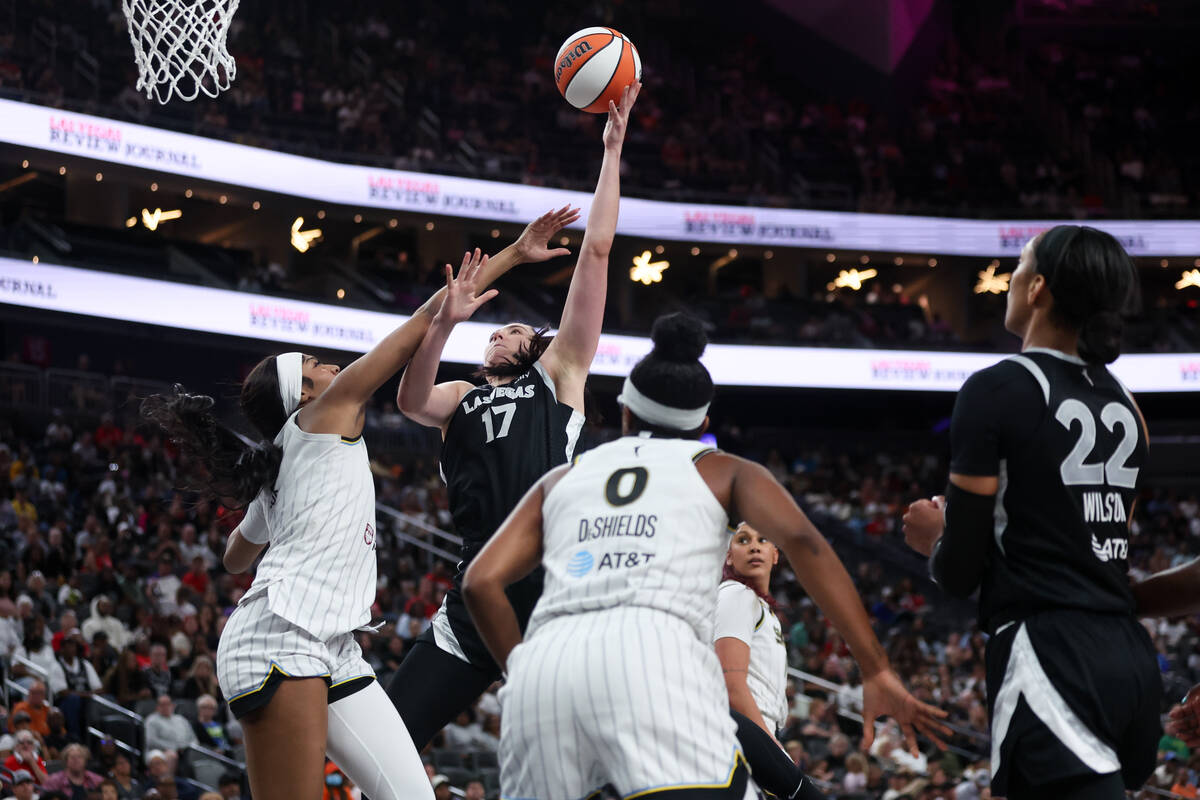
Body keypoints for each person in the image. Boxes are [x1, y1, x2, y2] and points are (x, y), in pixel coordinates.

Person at [141, 213, 572, 800]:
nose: (330, 365)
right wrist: (514, 255)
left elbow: (234, 560)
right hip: (279, 639)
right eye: (316, 365)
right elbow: (420, 324)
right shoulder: (327, 413)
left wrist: (266, 506)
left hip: (333, 647)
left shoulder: (283, 461)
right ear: (305, 394)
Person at [463, 313, 946, 800]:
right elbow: (807, 546)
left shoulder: (565, 475)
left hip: (544, 672)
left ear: (626, 411)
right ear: (702, 426)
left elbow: (479, 583)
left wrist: (521, 667)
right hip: (653, 664)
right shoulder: (723, 470)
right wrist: (876, 667)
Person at [387, 81, 640, 751]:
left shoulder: (558, 375)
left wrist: (611, 151)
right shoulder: (462, 397)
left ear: (537, 347)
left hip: (563, 587)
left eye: (514, 330)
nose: (499, 334)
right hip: (477, 593)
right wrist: (442, 323)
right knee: (387, 735)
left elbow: (596, 252)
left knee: (605, 762)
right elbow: (411, 400)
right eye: (492, 332)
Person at [902, 225, 1157, 800]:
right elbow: (1097, 547)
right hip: (1130, 659)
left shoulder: (998, 388)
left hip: (1051, 654)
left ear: (1038, 287)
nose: (1010, 280)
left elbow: (960, 570)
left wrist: (936, 539)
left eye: (1018, 266)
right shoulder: (1128, 405)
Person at [716, 523, 824, 800]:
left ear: (775, 555)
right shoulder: (737, 594)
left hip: (755, 734)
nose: (754, 546)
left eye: (763, 540)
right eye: (743, 540)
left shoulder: (761, 608)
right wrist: (774, 753)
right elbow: (731, 685)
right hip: (746, 736)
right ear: (729, 556)